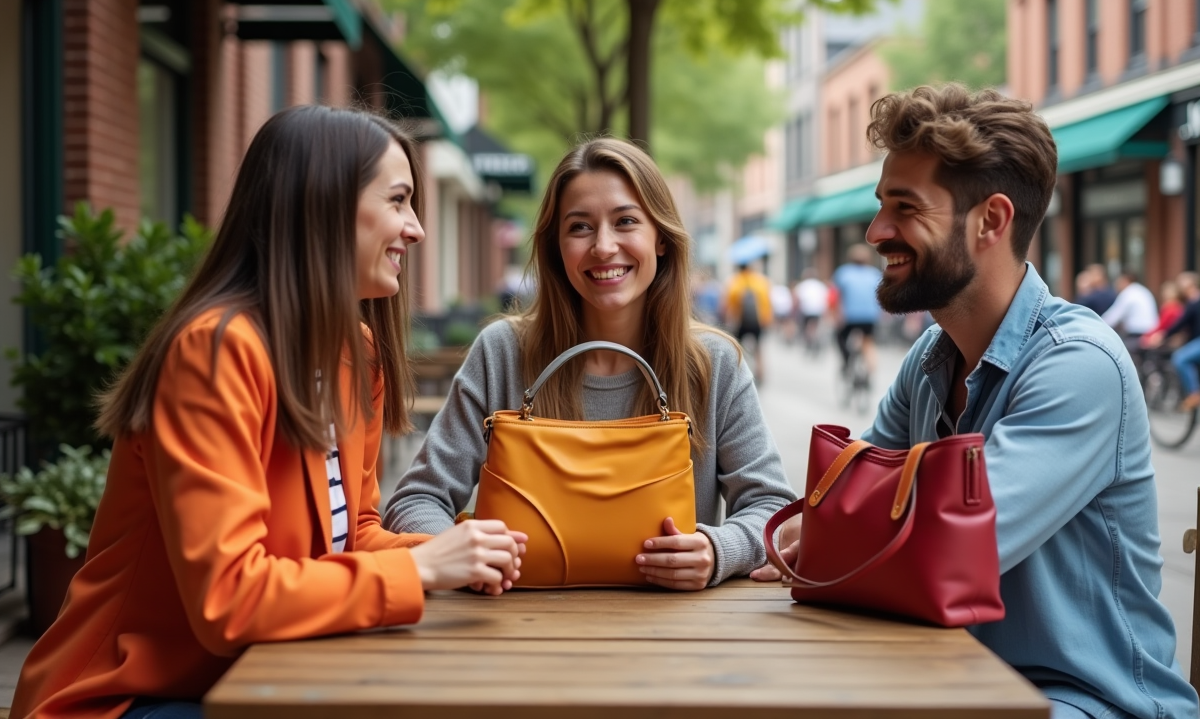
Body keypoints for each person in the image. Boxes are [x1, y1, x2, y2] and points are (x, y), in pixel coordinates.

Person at [12, 106, 527, 719]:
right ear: (323, 206)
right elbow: (229, 600)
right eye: (398, 201)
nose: (415, 229)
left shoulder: (355, 353)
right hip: (132, 696)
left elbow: (353, 533)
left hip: (258, 676)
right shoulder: (214, 351)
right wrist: (420, 568)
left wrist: (458, 555)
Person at [755, 85, 1197, 718]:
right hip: (950, 680)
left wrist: (835, 542)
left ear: (991, 220)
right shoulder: (928, 360)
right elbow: (838, 516)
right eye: (882, 205)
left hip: (1087, 700)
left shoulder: (1080, 364)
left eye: (904, 208)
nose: (878, 232)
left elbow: (939, 554)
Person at [385, 138, 796, 590]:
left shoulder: (714, 364)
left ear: (660, 237)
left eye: (625, 222)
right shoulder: (502, 351)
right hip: (517, 634)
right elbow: (415, 500)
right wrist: (461, 556)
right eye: (580, 227)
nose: (603, 247)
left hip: (674, 638)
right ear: (557, 247)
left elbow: (774, 509)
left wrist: (720, 550)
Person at [1147, 272, 1200, 411]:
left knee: (1180, 358)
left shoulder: (1194, 301)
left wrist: (1163, 336)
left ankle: (1194, 393)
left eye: (1181, 284)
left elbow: (1179, 324)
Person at [831, 244, 882, 378]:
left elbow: (836, 296)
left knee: (840, 337)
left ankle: (846, 361)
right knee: (868, 341)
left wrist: (836, 314)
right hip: (870, 315)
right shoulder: (874, 274)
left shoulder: (843, 273)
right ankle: (870, 369)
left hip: (849, 316)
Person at [725, 260, 774, 381]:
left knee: (738, 348)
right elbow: (768, 302)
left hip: (741, 322)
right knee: (759, 349)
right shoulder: (761, 281)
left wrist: (729, 319)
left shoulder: (735, 281)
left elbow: (730, 304)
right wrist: (768, 319)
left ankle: (739, 373)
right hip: (758, 321)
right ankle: (760, 372)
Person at [1101, 269, 1159, 349]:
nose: (1116, 284)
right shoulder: (1143, 290)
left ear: (1125, 280)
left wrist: (1098, 325)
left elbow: (1112, 317)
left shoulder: (1128, 293)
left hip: (1137, 335)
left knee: (1114, 348)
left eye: (1118, 281)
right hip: (1151, 333)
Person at [794, 269, 829, 352]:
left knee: (806, 326)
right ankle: (814, 339)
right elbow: (826, 298)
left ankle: (810, 340)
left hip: (806, 310)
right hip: (818, 310)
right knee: (814, 326)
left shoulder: (802, 285)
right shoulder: (820, 285)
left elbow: (796, 299)